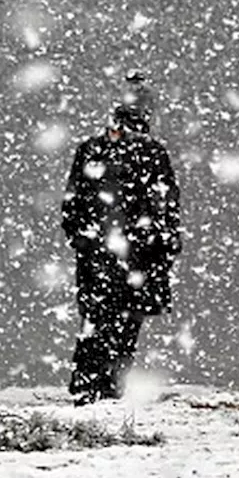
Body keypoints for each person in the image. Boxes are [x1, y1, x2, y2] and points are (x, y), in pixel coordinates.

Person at [61, 71, 182, 405]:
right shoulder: (152, 153)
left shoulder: (91, 150)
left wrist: (84, 241)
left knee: (96, 322)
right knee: (125, 325)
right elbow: (165, 207)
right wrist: (165, 245)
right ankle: (108, 386)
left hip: (100, 256)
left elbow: (72, 206)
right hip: (136, 257)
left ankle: (89, 386)